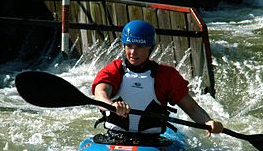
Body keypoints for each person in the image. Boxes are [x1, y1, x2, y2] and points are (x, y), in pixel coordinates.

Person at [91, 20, 223, 141]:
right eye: (129, 46)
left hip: (151, 141)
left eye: (139, 47)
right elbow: (100, 95)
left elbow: (192, 108)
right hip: (114, 138)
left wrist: (208, 122)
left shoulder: (166, 76)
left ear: (150, 47)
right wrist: (111, 105)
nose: (132, 52)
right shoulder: (114, 69)